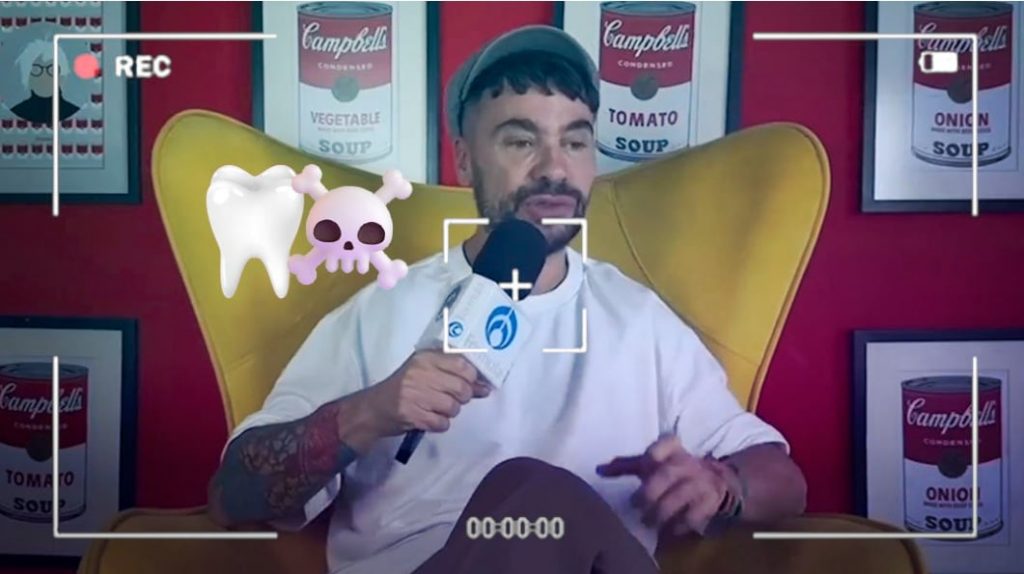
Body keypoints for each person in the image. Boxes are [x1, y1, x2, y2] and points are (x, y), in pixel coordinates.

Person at [207, 25, 807, 574]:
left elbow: (782, 479)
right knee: (532, 498)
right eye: (521, 141)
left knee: (541, 498)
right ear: (466, 160)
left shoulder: (639, 320)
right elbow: (234, 495)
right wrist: (372, 412)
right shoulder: (379, 313)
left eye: (576, 142)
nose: (554, 169)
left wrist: (724, 487)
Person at [10, 38, 80, 126]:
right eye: (36, 69)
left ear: (62, 76)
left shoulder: (72, 110)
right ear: (27, 76)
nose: (44, 76)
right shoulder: (18, 110)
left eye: (52, 69)